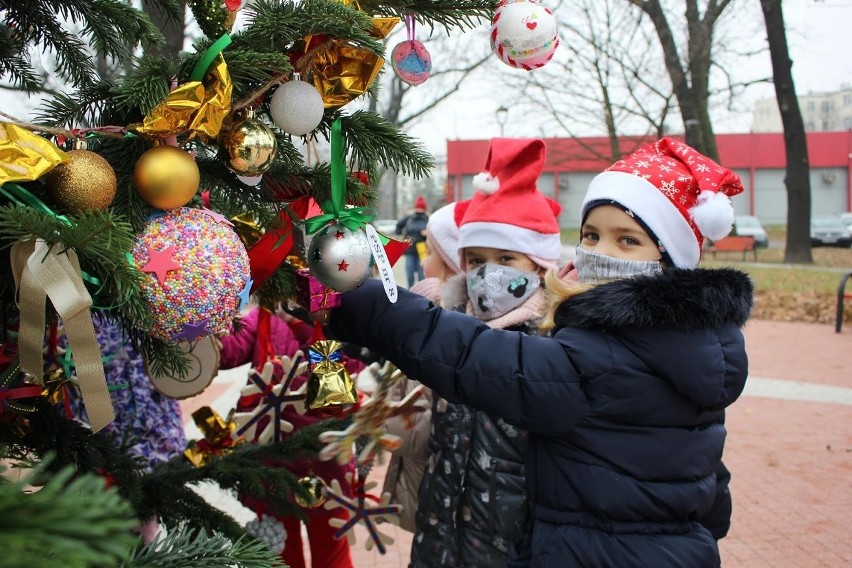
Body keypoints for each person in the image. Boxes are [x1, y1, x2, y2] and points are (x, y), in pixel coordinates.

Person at [322, 137, 753, 567]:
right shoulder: (697, 349)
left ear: (669, 259)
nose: (599, 252)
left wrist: (355, 295)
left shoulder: (594, 359)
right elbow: (712, 496)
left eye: (627, 241)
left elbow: (467, 355)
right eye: (591, 235)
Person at [401, 138, 565, 566]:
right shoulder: (447, 327)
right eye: (476, 260)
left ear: (539, 264)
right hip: (439, 535)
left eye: (507, 257)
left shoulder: (554, 339)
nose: (490, 273)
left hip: (509, 545)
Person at [217, 306, 356, 568]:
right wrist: (208, 330)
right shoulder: (263, 318)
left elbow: (340, 388)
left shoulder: (328, 320)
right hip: (271, 461)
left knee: (331, 546)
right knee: (281, 552)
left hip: (325, 461)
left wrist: (309, 324)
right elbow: (229, 350)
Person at [382, 199, 468, 533]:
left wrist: (381, 416)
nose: (423, 262)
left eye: (431, 252)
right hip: (427, 490)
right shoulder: (430, 323)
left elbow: (420, 428)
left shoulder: (442, 339)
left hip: (436, 495)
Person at [396, 195, 430, 288]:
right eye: (418, 208)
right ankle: (410, 292)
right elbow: (398, 226)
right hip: (410, 249)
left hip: (423, 251)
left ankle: (422, 294)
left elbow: (435, 232)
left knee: (421, 275)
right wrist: (399, 234)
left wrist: (428, 233)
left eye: (421, 209)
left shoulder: (428, 219)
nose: (419, 211)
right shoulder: (409, 217)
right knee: (410, 275)